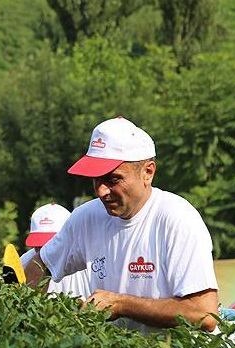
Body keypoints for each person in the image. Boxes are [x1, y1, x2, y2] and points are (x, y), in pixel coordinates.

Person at [25, 117, 219, 333]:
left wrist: (121, 304)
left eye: (113, 179)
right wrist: (22, 316)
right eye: (96, 179)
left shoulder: (176, 219)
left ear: (148, 172)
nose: (101, 191)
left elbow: (205, 315)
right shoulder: (86, 218)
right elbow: (41, 263)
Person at [21, 203, 90, 300]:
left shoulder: (88, 261)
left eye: (52, 245)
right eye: (39, 245)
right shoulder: (24, 262)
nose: (44, 251)